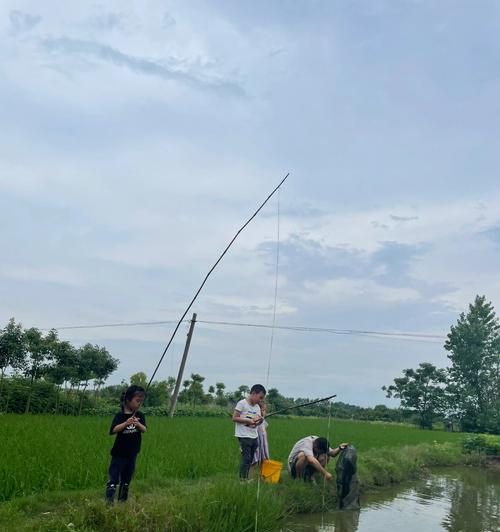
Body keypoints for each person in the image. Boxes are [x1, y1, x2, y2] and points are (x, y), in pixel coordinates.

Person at [105, 385, 147, 503]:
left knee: (126, 479)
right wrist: (126, 423)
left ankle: (122, 502)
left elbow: (144, 429)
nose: (139, 404)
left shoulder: (140, 415)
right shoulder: (120, 416)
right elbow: (113, 430)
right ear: (128, 399)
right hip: (119, 454)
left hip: (132, 453)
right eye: (137, 401)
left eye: (141, 401)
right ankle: (109, 502)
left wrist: (138, 424)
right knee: (113, 479)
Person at [232, 384, 266, 480]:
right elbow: (234, 418)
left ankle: (245, 478)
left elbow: (257, 423)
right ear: (253, 393)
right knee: (246, 458)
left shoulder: (257, 407)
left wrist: (260, 421)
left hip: (253, 436)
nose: (260, 400)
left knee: (250, 459)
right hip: (243, 435)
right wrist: (247, 421)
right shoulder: (242, 403)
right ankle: (242, 480)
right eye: (260, 397)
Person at [252, 400, 270, 466]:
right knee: (255, 459)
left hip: (263, 443)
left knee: (264, 458)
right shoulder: (255, 420)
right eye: (262, 410)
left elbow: (265, 432)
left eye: (265, 410)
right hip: (257, 442)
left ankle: (262, 473)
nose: (264, 412)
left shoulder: (264, 422)